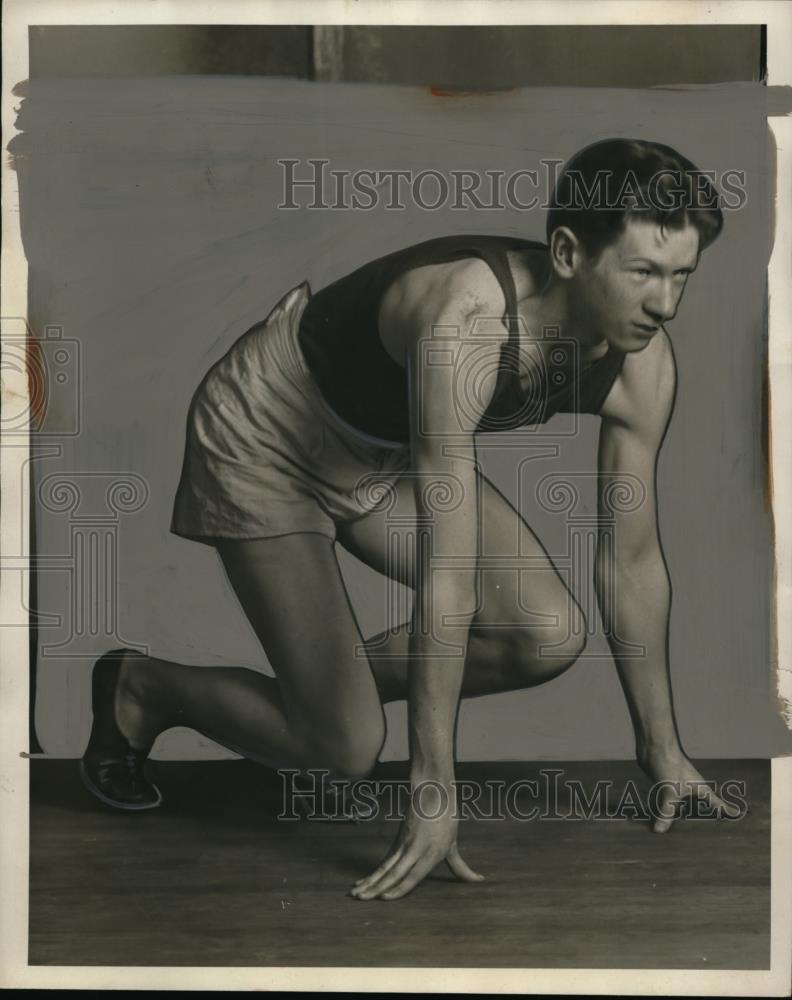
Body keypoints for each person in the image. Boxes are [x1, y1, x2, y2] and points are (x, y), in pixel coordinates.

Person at [81, 138, 733, 901]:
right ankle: (144, 688)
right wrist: (433, 785)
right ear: (566, 251)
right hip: (273, 433)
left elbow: (633, 563)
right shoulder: (468, 321)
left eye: (682, 274)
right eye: (644, 273)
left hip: (384, 451)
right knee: (344, 746)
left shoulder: (644, 365)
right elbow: (447, 570)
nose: (667, 304)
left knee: (546, 635)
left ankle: (325, 687)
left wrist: (663, 752)